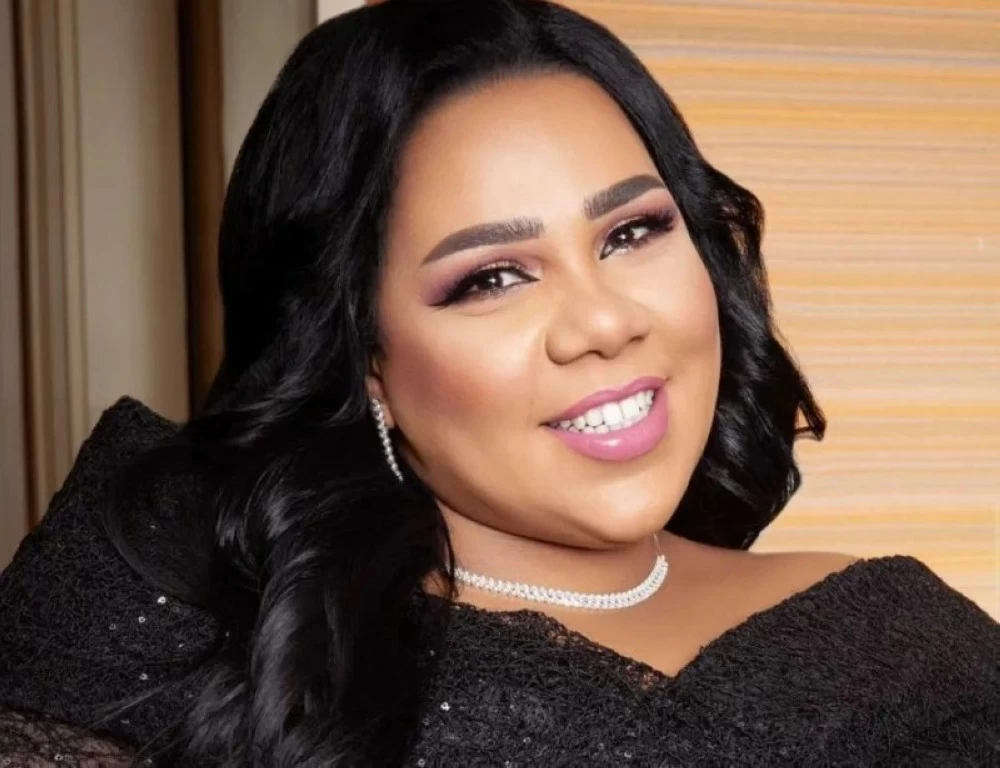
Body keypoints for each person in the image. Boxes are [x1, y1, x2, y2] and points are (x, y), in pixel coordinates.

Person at [2, 0, 998, 765]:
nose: (605, 322)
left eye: (632, 232)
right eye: (491, 278)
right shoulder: (169, 598)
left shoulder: (903, 650)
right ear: (362, 356)